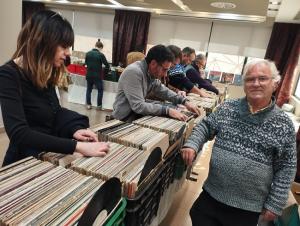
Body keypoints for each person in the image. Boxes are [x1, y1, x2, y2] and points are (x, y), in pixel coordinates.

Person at [181, 59, 297, 226]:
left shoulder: (283, 124)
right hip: (211, 196)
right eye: (250, 79)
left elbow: (287, 166)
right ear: (244, 84)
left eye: (263, 78)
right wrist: (192, 144)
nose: (256, 83)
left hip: (248, 209)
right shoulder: (227, 108)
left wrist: (275, 203)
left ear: (275, 84)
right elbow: (205, 127)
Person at [0, 10, 110, 166]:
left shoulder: (45, 70)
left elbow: (55, 111)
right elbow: (19, 133)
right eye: (63, 46)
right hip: (23, 163)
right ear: (44, 42)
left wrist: (74, 129)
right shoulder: (8, 74)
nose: (67, 53)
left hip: (46, 158)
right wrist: (77, 147)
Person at [112, 44, 201, 122]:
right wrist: (167, 110)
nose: (165, 74)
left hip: (135, 118)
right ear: (153, 63)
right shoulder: (134, 72)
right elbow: (139, 106)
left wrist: (184, 101)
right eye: (164, 69)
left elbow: (163, 90)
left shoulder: (150, 73)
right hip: (123, 121)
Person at [85, 38, 110, 110]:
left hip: (89, 75)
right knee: (100, 90)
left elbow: (86, 63)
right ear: (101, 47)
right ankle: (99, 106)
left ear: (95, 46)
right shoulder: (101, 54)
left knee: (89, 90)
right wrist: (104, 69)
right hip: (97, 76)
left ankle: (89, 105)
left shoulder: (88, 53)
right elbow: (107, 65)